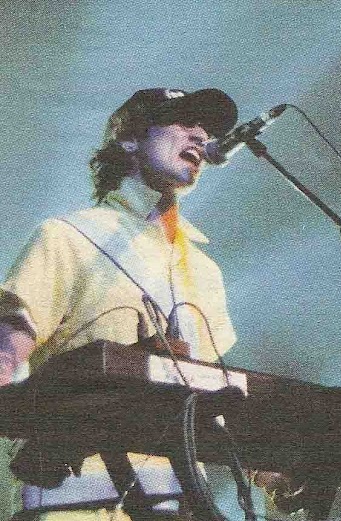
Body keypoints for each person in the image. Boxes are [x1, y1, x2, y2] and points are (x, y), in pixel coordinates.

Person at [0, 87, 240, 521]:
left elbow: (215, 390)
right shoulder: (69, 236)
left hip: (181, 497)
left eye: (205, 129)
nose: (200, 136)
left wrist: (276, 469)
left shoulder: (204, 270)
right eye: (182, 121)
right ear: (130, 139)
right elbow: (7, 350)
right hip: (77, 494)